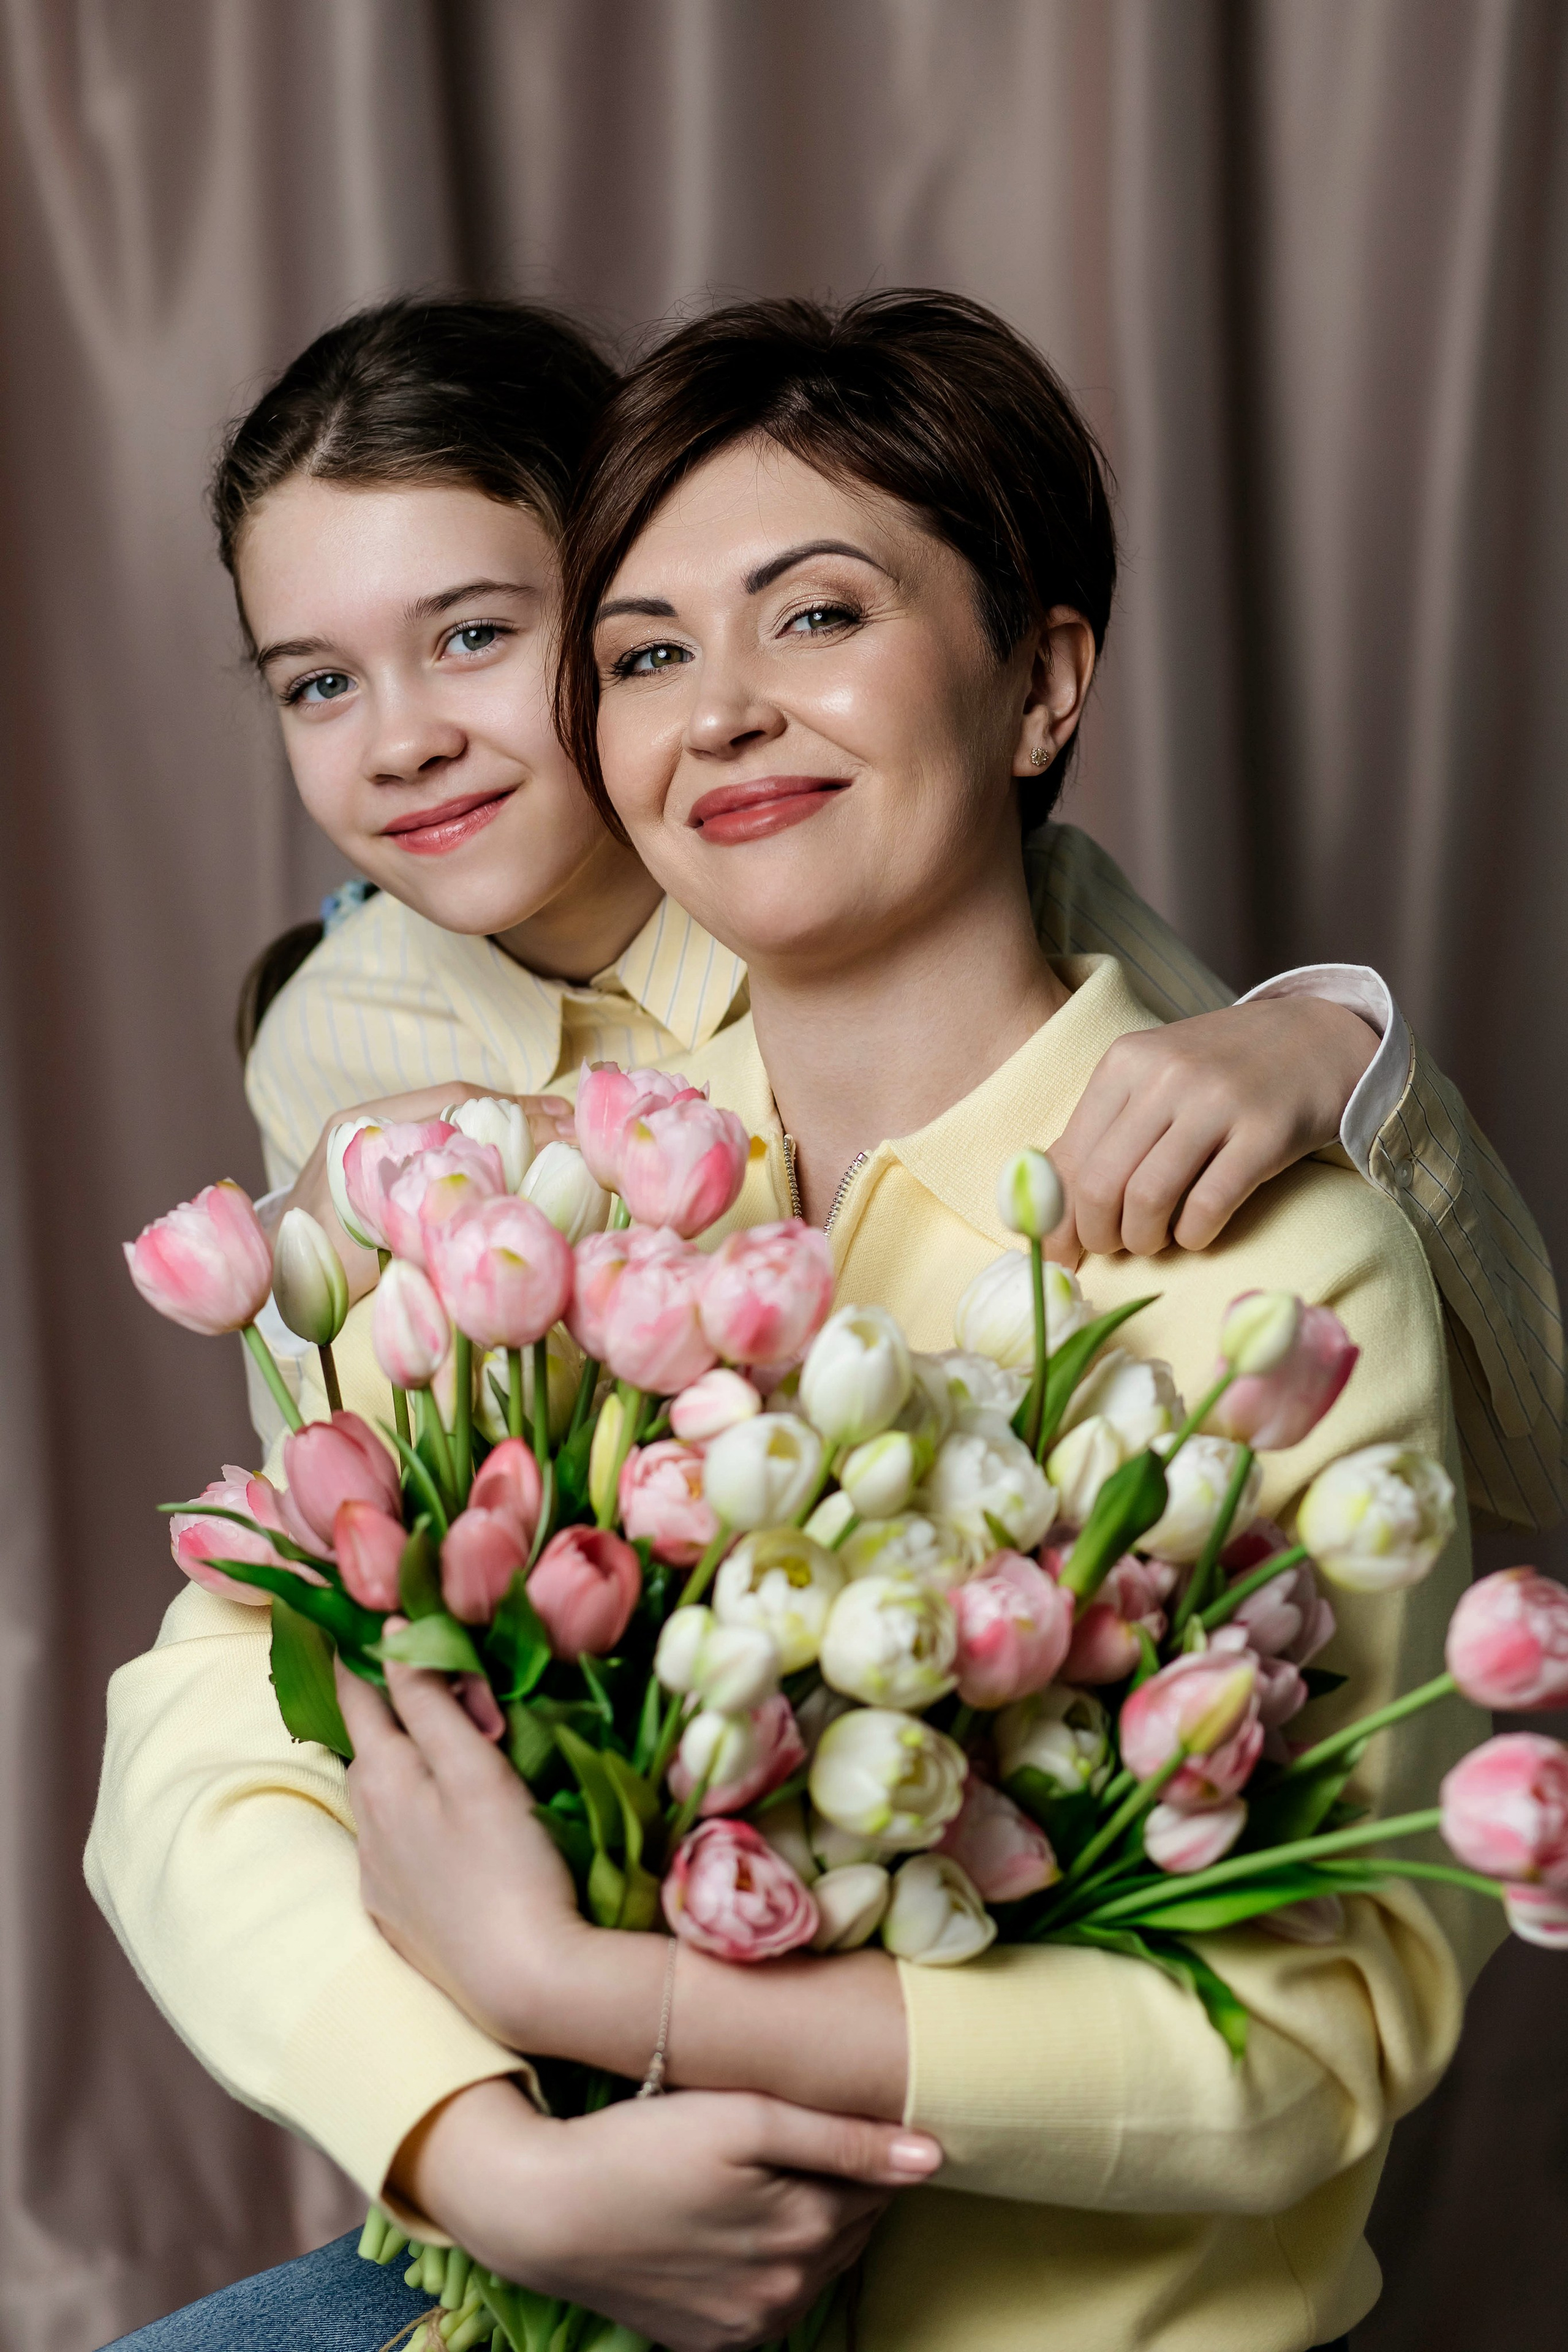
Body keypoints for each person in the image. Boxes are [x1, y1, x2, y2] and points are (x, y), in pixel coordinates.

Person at [88, 293, 1546, 2348]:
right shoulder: (502, 1173)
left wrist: (1339, 1043)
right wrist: (486, 2142)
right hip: (577, 2233)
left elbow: (1316, 2025)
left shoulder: (1229, 1242)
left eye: (819, 617)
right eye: (654, 650)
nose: (726, 710)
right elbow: (246, 1703)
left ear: (1045, 685)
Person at [221, 306, 1559, 1526]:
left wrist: (1333, 1054)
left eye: (471, 637)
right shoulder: (337, 1039)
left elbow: (1490, 1440)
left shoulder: (925, 887)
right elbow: (342, 1543)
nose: (401, 743)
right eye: (317, 684)